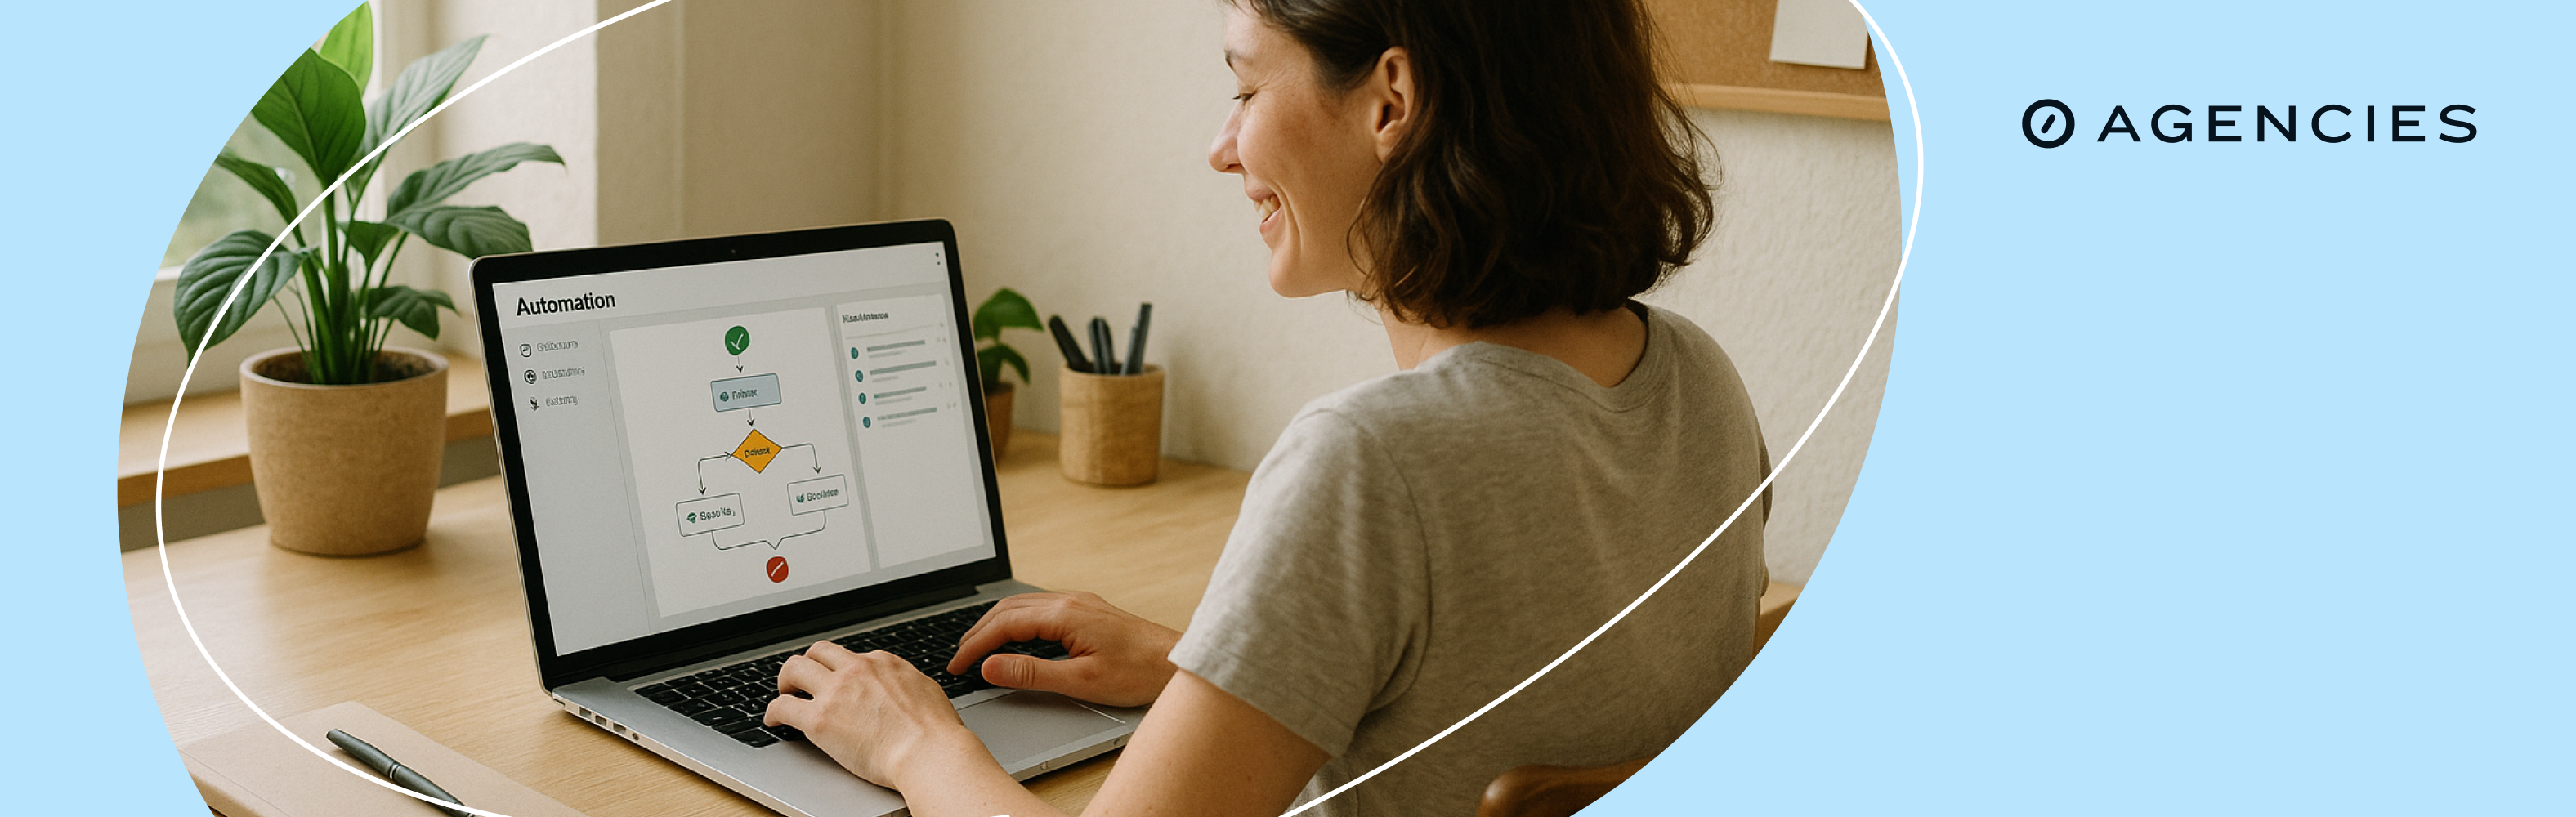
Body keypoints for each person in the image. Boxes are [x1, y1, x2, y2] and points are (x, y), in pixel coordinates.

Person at [761, 1, 1772, 815]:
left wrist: (915, 741)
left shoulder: (1368, 463)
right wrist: (1204, 669)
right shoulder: (1699, 382)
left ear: (1390, 102)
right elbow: (1494, 686)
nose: (1222, 147)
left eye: (1245, 88)